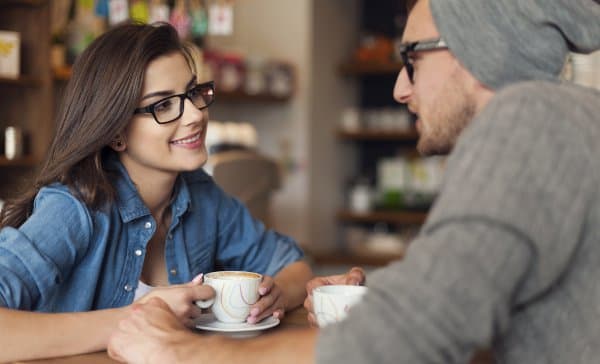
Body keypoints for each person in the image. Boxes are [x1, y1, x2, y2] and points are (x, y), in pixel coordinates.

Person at [107, 0, 600, 363]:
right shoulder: (563, 125)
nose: (400, 87)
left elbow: (413, 338)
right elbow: (470, 297)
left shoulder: (531, 123)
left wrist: (178, 351)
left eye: (412, 60)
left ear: (478, 52)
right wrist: (383, 299)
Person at [0, 22, 312, 363]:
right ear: (116, 131)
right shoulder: (74, 207)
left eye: (193, 93)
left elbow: (294, 266)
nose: (195, 114)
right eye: (162, 105)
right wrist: (137, 319)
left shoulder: (202, 196)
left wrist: (275, 295)